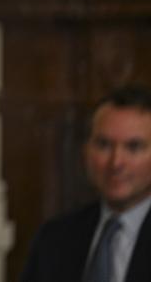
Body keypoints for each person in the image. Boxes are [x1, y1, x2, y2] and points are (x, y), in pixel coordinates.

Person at [20, 85, 151, 282]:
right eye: (104, 145)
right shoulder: (54, 238)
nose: (116, 162)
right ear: (86, 152)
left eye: (133, 147)